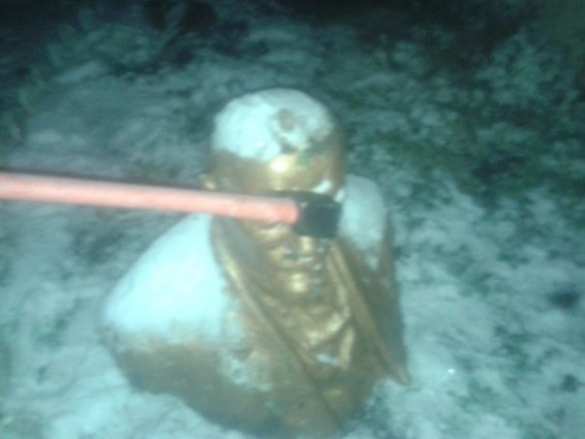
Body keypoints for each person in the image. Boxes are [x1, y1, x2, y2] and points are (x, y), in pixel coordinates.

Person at [102, 88, 409, 438]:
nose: (309, 242)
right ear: (216, 194)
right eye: (272, 216)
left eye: (329, 202)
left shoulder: (365, 211)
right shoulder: (150, 325)